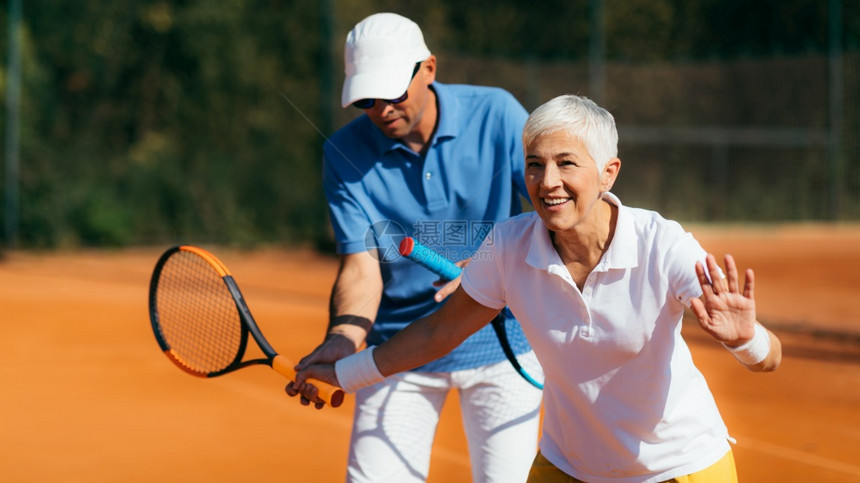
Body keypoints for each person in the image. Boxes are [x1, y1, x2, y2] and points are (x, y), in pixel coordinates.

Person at [293, 94, 783, 482]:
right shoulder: (508, 245)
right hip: (569, 468)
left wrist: (746, 340)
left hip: (678, 468)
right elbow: (438, 331)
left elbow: (769, 357)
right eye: (534, 164)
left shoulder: (664, 245)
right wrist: (346, 371)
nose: (548, 182)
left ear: (608, 171)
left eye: (567, 163)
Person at [284, 12, 543, 483]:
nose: (382, 109)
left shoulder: (498, 114)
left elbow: (555, 217)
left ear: (429, 68)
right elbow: (362, 267)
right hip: (397, 350)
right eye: (366, 98)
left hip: (505, 340)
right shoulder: (342, 152)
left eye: (393, 91)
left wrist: (492, 265)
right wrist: (344, 338)